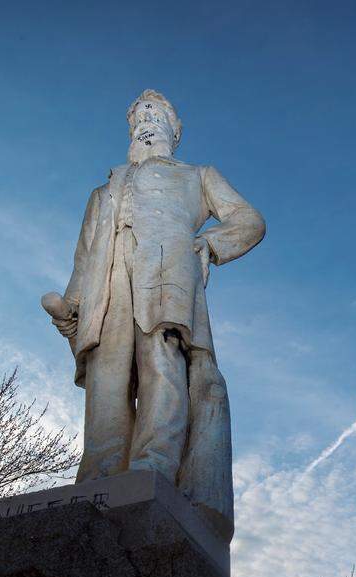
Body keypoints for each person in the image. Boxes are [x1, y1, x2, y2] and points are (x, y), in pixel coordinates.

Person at [49, 89, 264, 537]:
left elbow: (248, 220)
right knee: (106, 379)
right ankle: (100, 475)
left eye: (154, 115)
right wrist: (72, 303)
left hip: (166, 278)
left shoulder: (197, 175)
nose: (144, 123)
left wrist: (208, 245)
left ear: (173, 129)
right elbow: (84, 253)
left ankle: (154, 467)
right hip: (106, 285)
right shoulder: (104, 189)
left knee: (161, 368)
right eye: (138, 118)